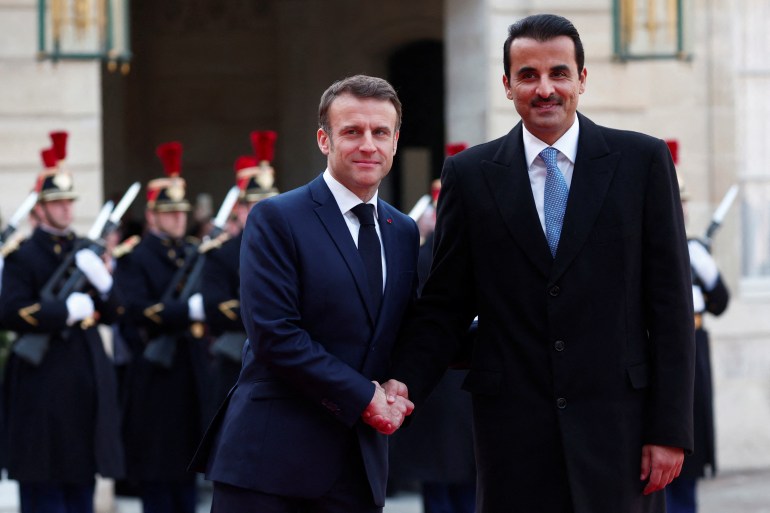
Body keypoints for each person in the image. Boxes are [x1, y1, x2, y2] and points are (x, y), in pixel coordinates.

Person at [381, 14, 695, 513]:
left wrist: (670, 429)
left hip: (621, 434)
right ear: (507, 85)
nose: (544, 88)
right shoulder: (470, 175)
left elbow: (671, 309)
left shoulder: (642, 163)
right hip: (512, 438)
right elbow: (444, 305)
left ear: (582, 79)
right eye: (528, 75)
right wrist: (403, 380)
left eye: (559, 73)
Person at [189, 74, 419, 513]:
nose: (367, 144)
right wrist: (365, 396)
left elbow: (405, 326)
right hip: (270, 467)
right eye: (352, 131)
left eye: (380, 132)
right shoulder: (278, 217)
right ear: (324, 139)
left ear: (394, 141)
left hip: (357, 466)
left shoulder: (402, 230)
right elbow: (276, 336)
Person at [0, 132, 125, 513]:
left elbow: (119, 312)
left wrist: (105, 284)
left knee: (80, 488)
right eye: (57, 203)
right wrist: (63, 312)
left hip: (84, 385)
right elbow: (11, 311)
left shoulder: (83, 252)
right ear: (41, 207)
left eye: (69, 201)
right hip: (42, 386)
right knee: (44, 488)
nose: (67, 210)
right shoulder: (24, 256)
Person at [113, 141, 209, 513]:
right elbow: (136, 309)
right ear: (151, 215)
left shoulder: (191, 253)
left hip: (187, 367)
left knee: (187, 468)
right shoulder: (137, 256)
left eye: (181, 212)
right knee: (157, 470)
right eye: (169, 212)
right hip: (154, 373)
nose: (178, 218)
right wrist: (187, 312)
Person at [389, 155, 477, 513]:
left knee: (452, 481)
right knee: (450, 484)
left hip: (452, 383)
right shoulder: (427, 253)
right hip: (440, 378)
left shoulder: (431, 250)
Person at [665, 147, 730, 513]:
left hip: (693, 343)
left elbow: (720, 303)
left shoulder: (694, 252)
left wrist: (703, 268)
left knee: (691, 440)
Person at [202, 131, 280, 409]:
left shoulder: (292, 247)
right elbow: (215, 307)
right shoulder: (222, 253)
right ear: (242, 209)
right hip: (238, 357)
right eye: (256, 205)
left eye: (270, 203)